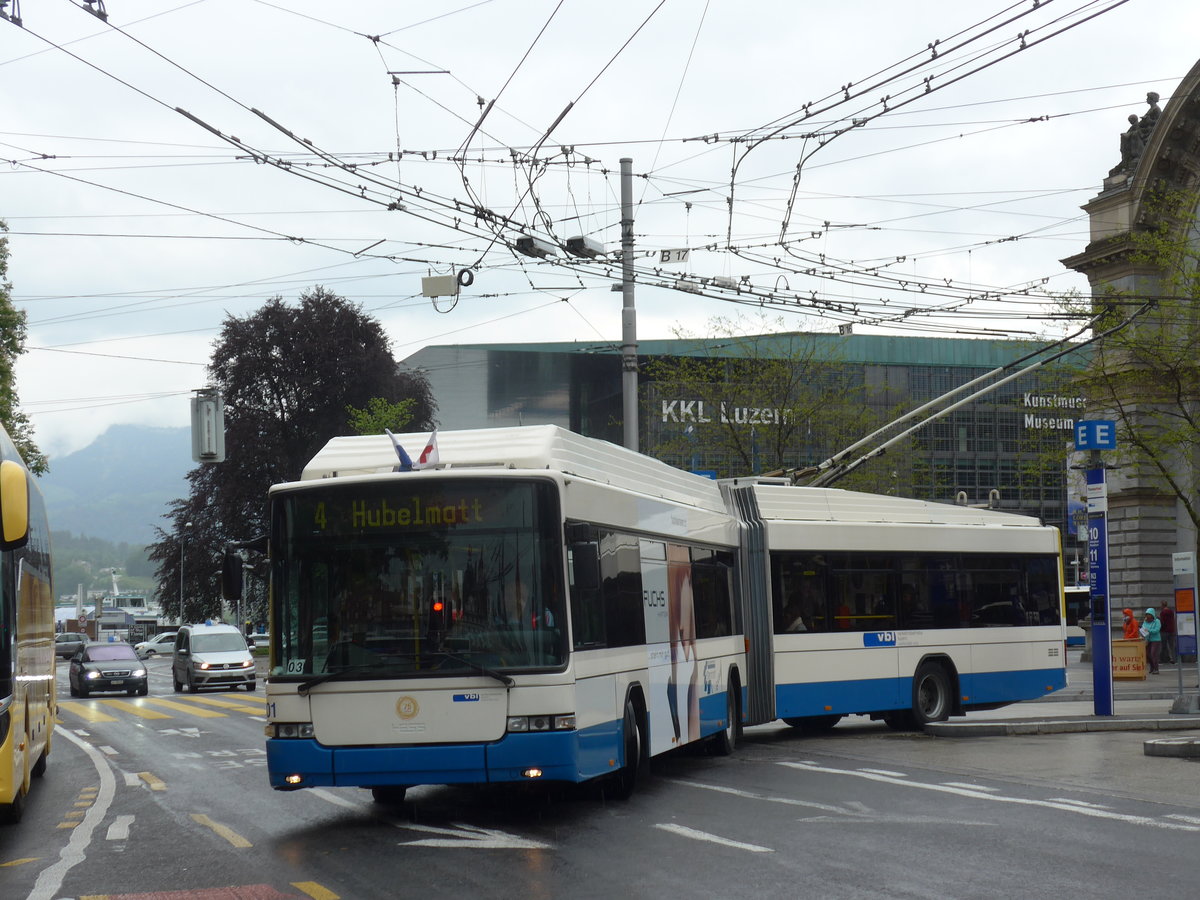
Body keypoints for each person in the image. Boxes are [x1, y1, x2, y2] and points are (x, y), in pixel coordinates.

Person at [1141, 607, 1162, 674]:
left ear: (1152, 615)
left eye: (1149, 614)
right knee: (1147, 654)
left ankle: (1156, 669)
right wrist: (1142, 631)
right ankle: (1152, 667)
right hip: (1148, 639)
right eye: (1146, 614)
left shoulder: (1157, 621)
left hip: (1156, 640)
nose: (1147, 616)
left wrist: (1149, 630)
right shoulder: (1145, 621)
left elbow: (1157, 630)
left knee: (1153, 654)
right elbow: (1143, 628)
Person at [1159, 600, 1176, 665]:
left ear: (1162, 605)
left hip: (1164, 631)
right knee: (1171, 645)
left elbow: (1162, 622)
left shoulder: (1163, 612)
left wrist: (1160, 628)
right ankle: (1172, 659)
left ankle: (1162, 659)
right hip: (1171, 630)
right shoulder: (1171, 611)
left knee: (1163, 645)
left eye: (1161, 605)